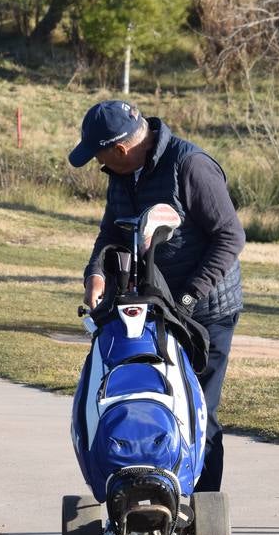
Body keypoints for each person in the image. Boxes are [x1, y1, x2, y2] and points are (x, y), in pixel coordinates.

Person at [69, 99, 244, 493]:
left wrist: (186, 300)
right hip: (155, 305)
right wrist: (96, 275)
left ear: (121, 149)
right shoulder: (123, 173)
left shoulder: (190, 166)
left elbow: (230, 237)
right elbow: (111, 233)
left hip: (206, 309)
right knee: (147, 394)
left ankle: (200, 511)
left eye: (100, 157)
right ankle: (145, 491)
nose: (100, 166)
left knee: (197, 409)